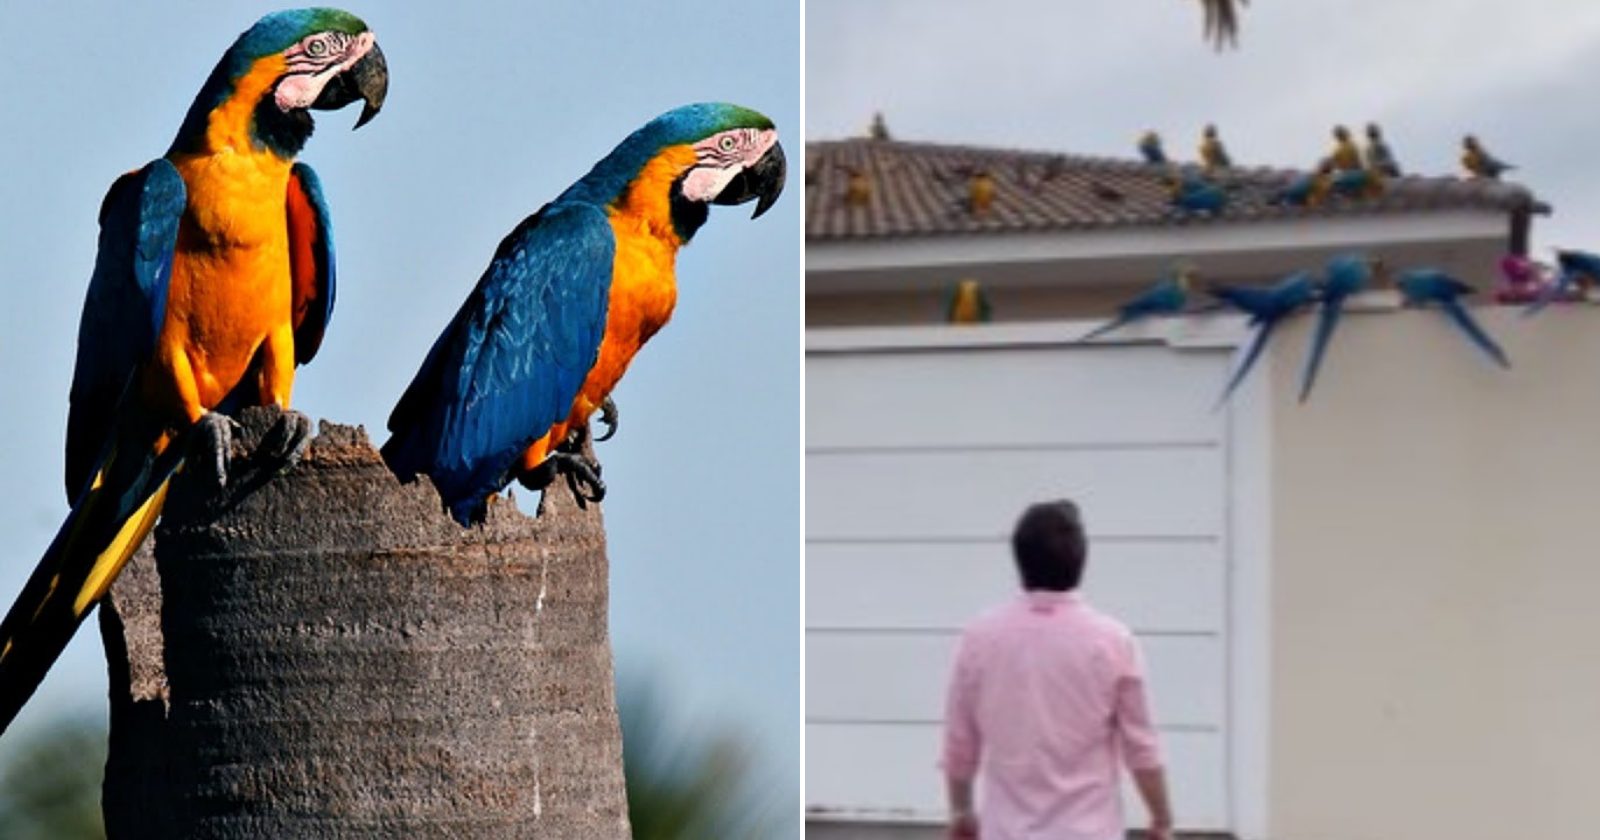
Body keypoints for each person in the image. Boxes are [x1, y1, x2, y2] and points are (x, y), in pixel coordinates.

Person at [940, 500, 1173, 840]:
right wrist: (1161, 819)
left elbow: (960, 743)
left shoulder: (979, 638)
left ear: (1019, 559)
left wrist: (961, 812)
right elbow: (1141, 747)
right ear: (1082, 560)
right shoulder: (1113, 641)